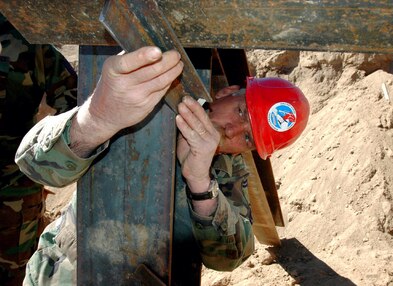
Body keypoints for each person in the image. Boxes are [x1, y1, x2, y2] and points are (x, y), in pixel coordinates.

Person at [15, 45, 309, 284]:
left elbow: (231, 257)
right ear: (226, 93)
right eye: (242, 112)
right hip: (65, 275)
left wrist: (200, 183)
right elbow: (33, 165)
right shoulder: (149, 99)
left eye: (248, 137)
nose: (233, 130)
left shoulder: (229, 170)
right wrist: (98, 119)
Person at [0, 13, 78, 285]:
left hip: (15, 193)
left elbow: (74, 99)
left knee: (16, 271)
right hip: (17, 191)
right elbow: (73, 97)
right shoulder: (25, 36)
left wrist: (41, 137)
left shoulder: (26, 39)